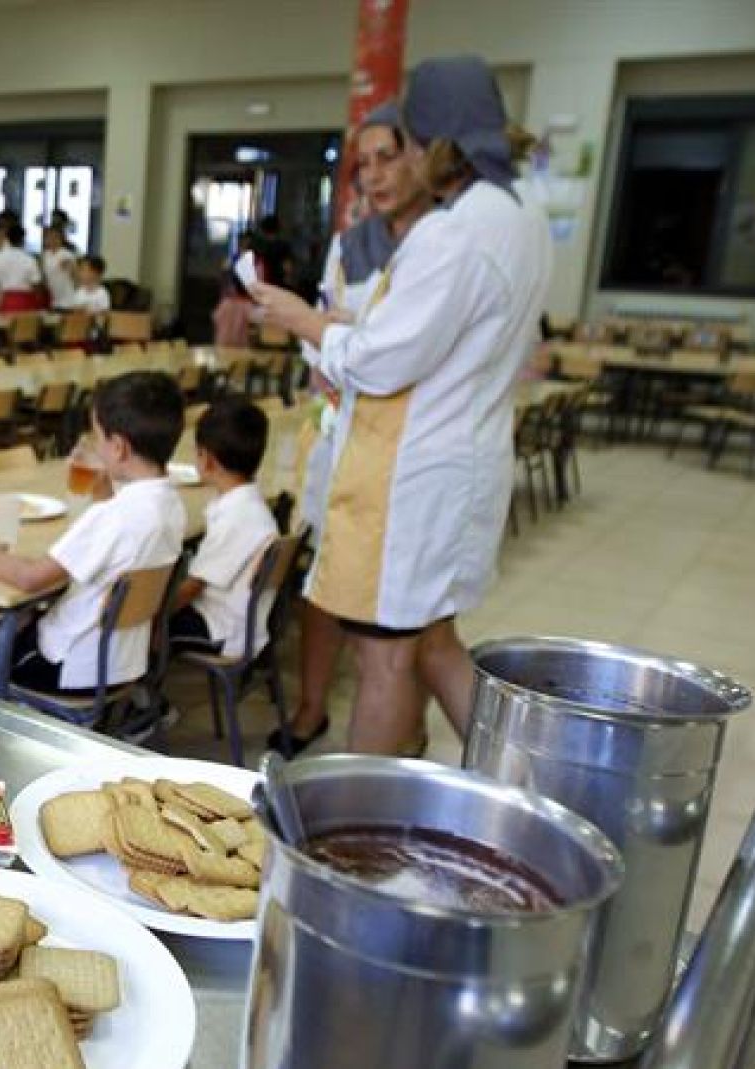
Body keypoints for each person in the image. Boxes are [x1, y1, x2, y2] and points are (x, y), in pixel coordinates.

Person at [254, 55, 551, 755]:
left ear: (437, 142)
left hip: (413, 478)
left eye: (410, 145)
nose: (403, 163)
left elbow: (381, 360)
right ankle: (526, 792)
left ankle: (363, 841)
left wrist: (304, 321)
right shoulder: (522, 214)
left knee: (386, 656)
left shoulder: (453, 232)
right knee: (437, 644)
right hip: (466, 457)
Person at [276, 101, 436, 757]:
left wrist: (345, 336)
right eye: (361, 162)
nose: (372, 175)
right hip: (346, 430)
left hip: (410, 444)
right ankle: (311, 707)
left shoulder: (441, 242)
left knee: (406, 617)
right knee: (325, 577)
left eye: (386, 157)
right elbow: (326, 337)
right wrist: (332, 341)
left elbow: (396, 349)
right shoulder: (352, 244)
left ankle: (404, 738)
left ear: (422, 155)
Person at [0, 372, 187, 694]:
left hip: (65, 666)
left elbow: (30, 579)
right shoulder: (171, 503)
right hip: (118, 662)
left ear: (118, 446)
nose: (96, 445)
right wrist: (103, 493)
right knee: (17, 621)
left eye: (98, 436)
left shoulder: (113, 517)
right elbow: (121, 544)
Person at [166, 396, 280, 659]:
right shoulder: (249, 504)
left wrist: (148, 614)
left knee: (138, 627)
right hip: (239, 621)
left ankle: (145, 692)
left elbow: (192, 589)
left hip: (222, 630)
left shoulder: (236, 518)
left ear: (207, 460)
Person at [0, 224, 45, 312]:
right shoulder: (29, 259)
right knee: (24, 325)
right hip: (27, 301)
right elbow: (37, 285)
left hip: (7, 300)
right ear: (23, 240)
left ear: (7, 238)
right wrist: (39, 305)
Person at [211, 265, 256, 347]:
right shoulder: (247, 305)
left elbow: (215, 318)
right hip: (240, 346)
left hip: (222, 344)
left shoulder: (225, 303)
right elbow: (255, 320)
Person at [41, 226, 78, 309]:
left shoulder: (66, 254)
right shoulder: (46, 255)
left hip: (68, 299)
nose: (52, 240)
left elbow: (75, 275)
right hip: (54, 299)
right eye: (48, 237)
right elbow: (45, 276)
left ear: (61, 239)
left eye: (55, 237)